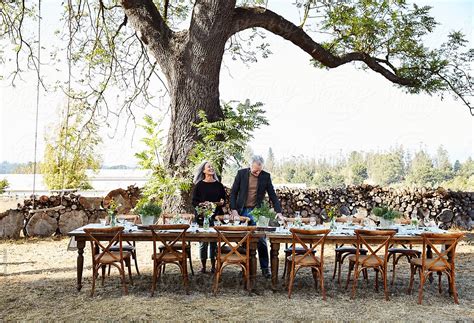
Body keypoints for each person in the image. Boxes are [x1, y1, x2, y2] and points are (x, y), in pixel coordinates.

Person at [230, 155, 283, 278]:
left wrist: (278, 211)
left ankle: (265, 268)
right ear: (250, 166)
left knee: (261, 239)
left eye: (260, 170)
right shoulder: (241, 174)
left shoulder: (266, 176)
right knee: (244, 240)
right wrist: (234, 210)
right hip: (242, 211)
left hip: (257, 212)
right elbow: (233, 193)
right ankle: (246, 267)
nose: (258, 173)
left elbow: (272, 196)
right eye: (255, 171)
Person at [192, 161, 226, 273]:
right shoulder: (199, 185)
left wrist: (221, 203)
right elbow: (194, 202)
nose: (211, 168)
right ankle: (203, 266)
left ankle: (213, 266)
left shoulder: (219, 185)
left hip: (216, 217)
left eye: (212, 166)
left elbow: (223, 201)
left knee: (213, 242)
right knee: (203, 242)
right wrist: (202, 204)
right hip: (203, 217)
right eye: (209, 167)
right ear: (203, 171)